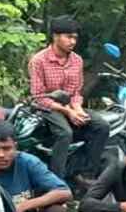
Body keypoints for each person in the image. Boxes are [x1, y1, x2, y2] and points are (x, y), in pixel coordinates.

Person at [28, 16, 109, 183]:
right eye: (68, 37)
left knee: (101, 125)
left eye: (75, 38)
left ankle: (86, 173)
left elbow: (76, 92)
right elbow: (38, 96)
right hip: (48, 107)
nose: (72, 41)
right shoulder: (39, 60)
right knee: (65, 133)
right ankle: (55, 182)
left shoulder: (77, 60)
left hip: (70, 105)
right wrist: (68, 112)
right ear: (55, 36)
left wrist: (77, 109)